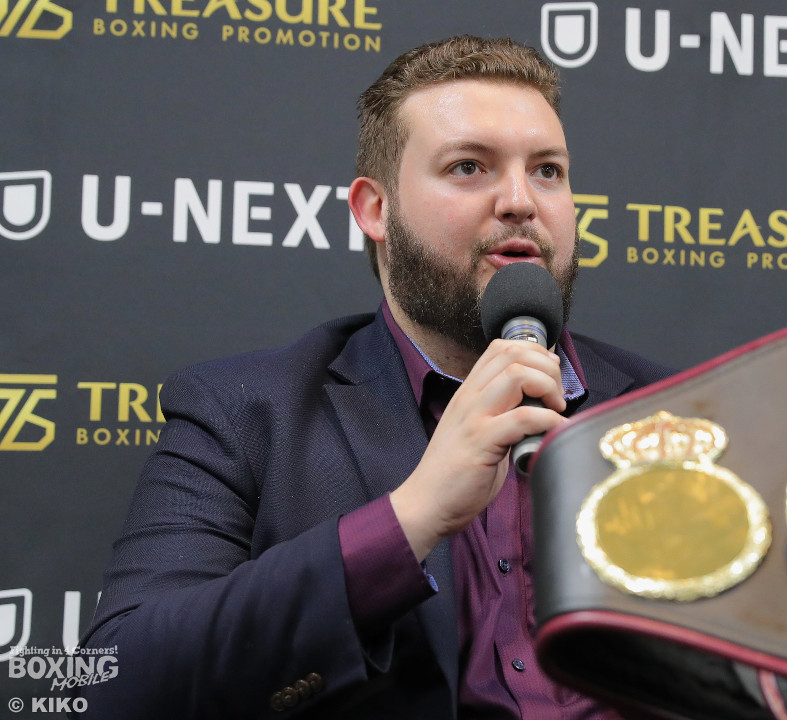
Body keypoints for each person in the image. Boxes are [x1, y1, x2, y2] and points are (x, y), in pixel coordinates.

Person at [76, 35, 672, 718]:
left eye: (548, 171)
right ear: (374, 210)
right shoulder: (243, 414)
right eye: (469, 166)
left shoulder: (673, 412)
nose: (520, 200)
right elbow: (112, 684)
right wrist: (411, 517)